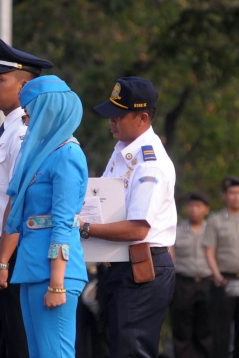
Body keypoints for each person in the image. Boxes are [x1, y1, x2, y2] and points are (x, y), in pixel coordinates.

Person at [0, 75, 88, 357]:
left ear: (50, 112)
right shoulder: (42, 154)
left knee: (53, 353)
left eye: (31, 113)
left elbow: (63, 222)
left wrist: (57, 283)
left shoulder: (67, 154)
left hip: (54, 272)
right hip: (33, 268)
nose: (27, 121)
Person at [84, 76, 176, 357]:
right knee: (115, 346)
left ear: (143, 117)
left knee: (130, 350)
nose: (111, 121)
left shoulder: (150, 164)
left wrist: (85, 227)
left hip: (142, 265)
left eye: (118, 116)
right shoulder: (123, 150)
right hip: (120, 265)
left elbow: (138, 229)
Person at [0, 38, 53, 358]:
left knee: (17, 343)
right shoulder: (9, 129)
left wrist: (2, 260)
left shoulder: (22, 133)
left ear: (25, 86)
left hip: (10, 251)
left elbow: (18, 201)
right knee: (4, 343)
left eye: (0, 80)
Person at [203, 175, 239, 358]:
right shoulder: (215, 220)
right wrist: (216, 274)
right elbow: (209, 250)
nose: (236, 196)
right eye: (232, 193)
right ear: (225, 196)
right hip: (223, 280)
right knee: (220, 330)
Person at [170, 191, 213, 358]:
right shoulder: (177, 229)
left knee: (205, 331)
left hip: (207, 283)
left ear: (206, 209)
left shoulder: (212, 230)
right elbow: (170, 256)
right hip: (183, 283)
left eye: (198, 206)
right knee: (181, 330)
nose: (194, 209)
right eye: (191, 205)